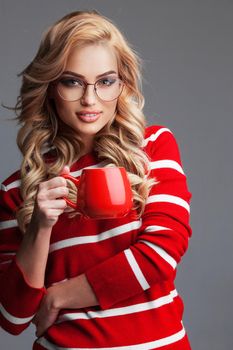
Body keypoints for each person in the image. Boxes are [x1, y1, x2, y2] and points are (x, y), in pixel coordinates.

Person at [0, 10, 192, 350]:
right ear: (50, 87)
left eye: (105, 81)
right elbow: (12, 317)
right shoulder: (18, 189)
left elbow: (161, 253)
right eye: (72, 81)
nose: (90, 99)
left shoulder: (153, 146)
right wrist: (41, 226)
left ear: (123, 85)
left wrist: (58, 296)